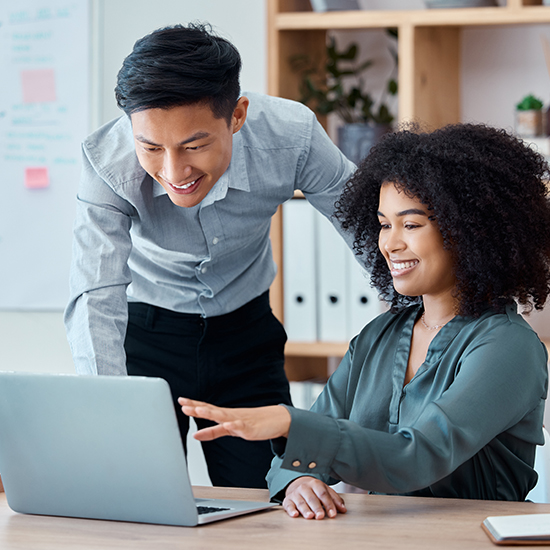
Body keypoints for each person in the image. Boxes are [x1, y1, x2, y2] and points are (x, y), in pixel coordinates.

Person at [179, 123, 550, 518]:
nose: (389, 243)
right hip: (384, 537)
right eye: (384, 224)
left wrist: (290, 423)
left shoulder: (510, 348)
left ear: (470, 230)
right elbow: (295, 459)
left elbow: (418, 456)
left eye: (410, 224)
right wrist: (300, 481)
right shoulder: (379, 336)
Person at [64, 23, 355, 488]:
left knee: (267, 501)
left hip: (245, 338)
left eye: (194, 145)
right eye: (151, 147)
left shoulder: (292, 136)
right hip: (145, 340)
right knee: (137, 500)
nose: (173, 171)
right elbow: (95, 292)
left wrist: (423, 328)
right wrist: (106, 408)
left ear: (237, 115)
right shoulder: (105, 162)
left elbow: (369, 228)